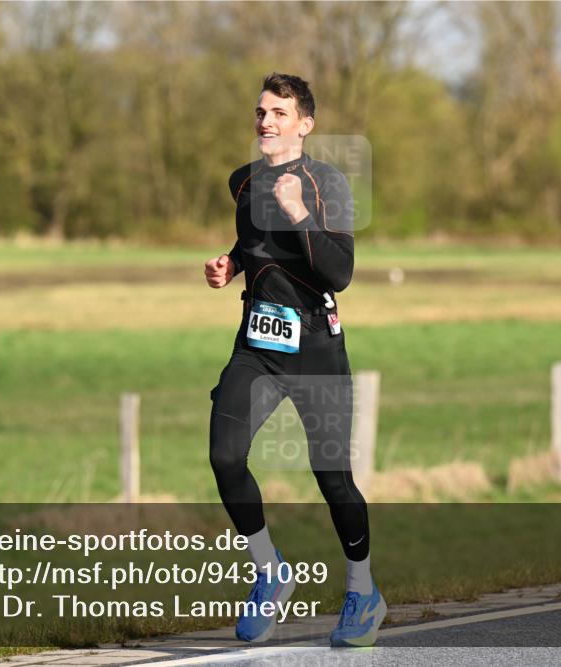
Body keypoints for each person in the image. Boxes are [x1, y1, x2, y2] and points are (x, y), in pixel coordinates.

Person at [204, 73, 386, 647]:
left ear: (304, 124)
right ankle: (270, 571)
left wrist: (300, 214)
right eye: (261, 112)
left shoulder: (326, 182)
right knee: (224, 455)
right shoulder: (241, 182)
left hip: (315, 349)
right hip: (257, 345)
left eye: (280, 114)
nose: (266, 121)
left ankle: (362, 588)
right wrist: (229, 266)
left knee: (333, 480)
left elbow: (340, 273)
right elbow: (254, 246)